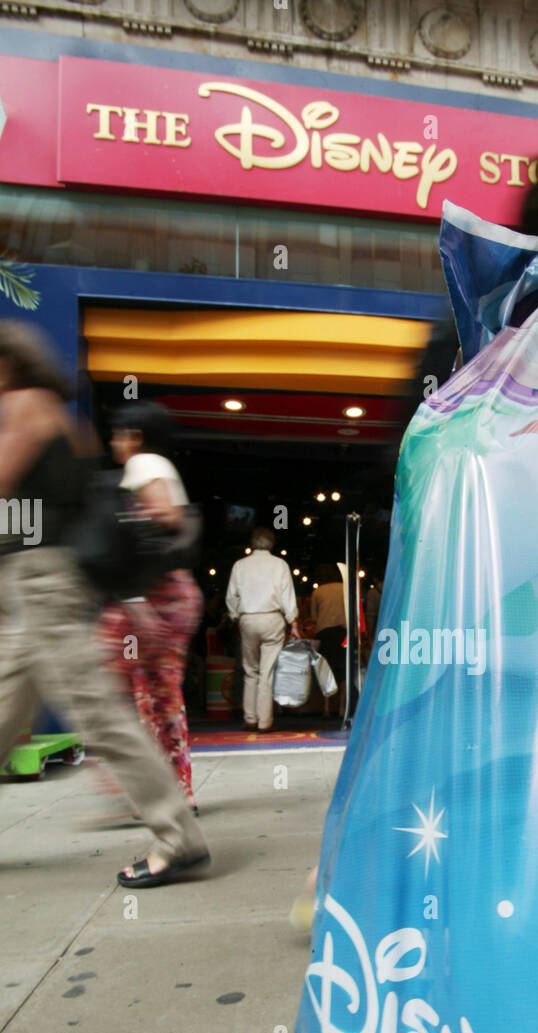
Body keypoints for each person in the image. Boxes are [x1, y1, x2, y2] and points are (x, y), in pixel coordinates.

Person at [0, 321, 209, 888]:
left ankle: (177, 835)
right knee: (5, 709)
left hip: (44, 581)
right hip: (35, 581)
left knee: (102, 712)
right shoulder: (63, 420)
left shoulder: (26, 405)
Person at [98, 402, 202, 811]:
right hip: (170, 595)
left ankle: (126, 783)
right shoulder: (158, 465)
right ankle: (176, 791)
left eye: (118, 433)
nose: (113, 442)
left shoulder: (143, 463)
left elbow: (165, 515)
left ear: (134, 437)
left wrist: (135, 591)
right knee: (160, 698)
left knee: (102, 682)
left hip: (153, 596)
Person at [226, 527, 299, 732]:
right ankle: (265, 721)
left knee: (250, 671)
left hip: (248, 619)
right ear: (272, 544)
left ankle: (249, 718)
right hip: (272, 618)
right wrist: (292, 621)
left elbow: (232, 596)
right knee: (267, 672)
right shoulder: (280, 565)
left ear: (252, 543)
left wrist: (234, 616)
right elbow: (287, 596)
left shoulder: (240, 565)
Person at [309, 564, 346, 718]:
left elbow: (314, 618)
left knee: (326, 670)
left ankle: (326, 707)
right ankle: (342, 708)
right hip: (344, 632)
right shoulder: (346, 588)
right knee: (344, 670)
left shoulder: (318, 592)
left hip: (324, 633)